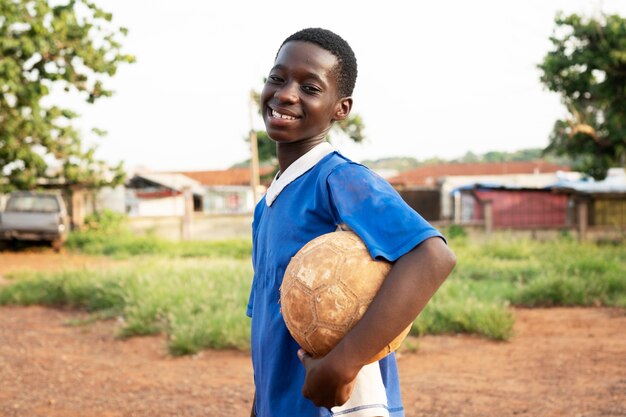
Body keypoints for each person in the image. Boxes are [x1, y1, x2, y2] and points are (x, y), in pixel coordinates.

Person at [247, 27, 456, 417]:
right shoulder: (269, 202)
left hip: (343, 406)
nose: (286, 93)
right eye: (277, 78)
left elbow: (432, 257)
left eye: (310, 88)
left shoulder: (339, 178)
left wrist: (344, 362)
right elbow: (267, 321)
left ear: (340, 108)